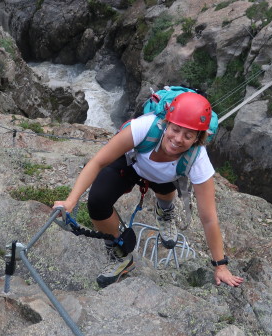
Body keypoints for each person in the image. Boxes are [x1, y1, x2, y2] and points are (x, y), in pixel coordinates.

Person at [53, 92, 244, 288]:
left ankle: (165, 211)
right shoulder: (145, 128)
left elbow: (209, 217)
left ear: (197, 138)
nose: (178, 139)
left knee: (165, 186)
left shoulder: (197, 159)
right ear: (167, 123)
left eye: (188, 136)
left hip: (165, 177)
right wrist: (71, 200)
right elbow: (98, 161)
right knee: (97, 202)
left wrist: (220, 265)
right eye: (175, 130)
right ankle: (119, 252)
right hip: (132, 162)